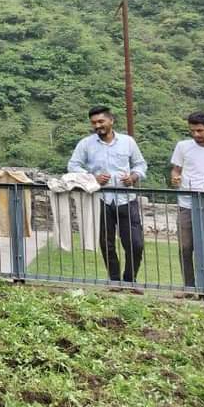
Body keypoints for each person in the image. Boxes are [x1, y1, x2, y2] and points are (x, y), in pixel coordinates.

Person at [67, 105, 148, 286]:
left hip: (127, 198)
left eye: (101, 121)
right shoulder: (86, 144)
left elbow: (140, 165)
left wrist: (133, 177)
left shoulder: (128, 142)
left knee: (135, 244)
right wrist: (92, 177)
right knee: (107, 243)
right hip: (100, 199)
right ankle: (114, 281)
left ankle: (129, 280)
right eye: (94, 122)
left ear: (111, 121)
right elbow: (73, 166)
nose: (98, 125)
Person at [170, 112, 204, 289]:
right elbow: (176, 169)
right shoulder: (183, 146)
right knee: (185, 247)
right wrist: (175, 178)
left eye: (200, 130)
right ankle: (189, 286)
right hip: (186, 204)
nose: (196, 134)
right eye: (192, 131)